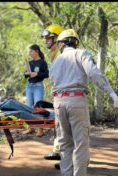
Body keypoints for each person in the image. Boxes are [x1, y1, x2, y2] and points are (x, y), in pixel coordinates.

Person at [50, 29, 118, 176]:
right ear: (75, 42)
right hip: (76, 101)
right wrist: (111, 92)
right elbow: (93, 73)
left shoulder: (55, 62)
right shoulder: (81, 54)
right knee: (80, 144)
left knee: (65, 144)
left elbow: (52, 81)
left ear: (61, 44)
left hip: (58, 103)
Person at [41, 24, 65, 164]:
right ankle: (58, 151)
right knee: (58, 124)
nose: (46, 41)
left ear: (57, 38)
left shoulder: (62, 54)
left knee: (64, 126)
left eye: (48, 38)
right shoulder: (54, 53)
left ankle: (66, 158)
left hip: (65, 96)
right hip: (58, 94)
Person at [23, 44, 49, 137]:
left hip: (38, 86)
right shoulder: (30, 63)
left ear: (36, 51)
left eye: (31, 51)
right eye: (29, 52)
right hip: (29, 86)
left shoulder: (42, 62)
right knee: (29, 107)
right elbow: (25, 75)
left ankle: (40, 129)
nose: (29, 53)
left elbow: (46, 74)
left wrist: (36, 74)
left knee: (38, 107)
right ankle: (30, 128)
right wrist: (27, 73)